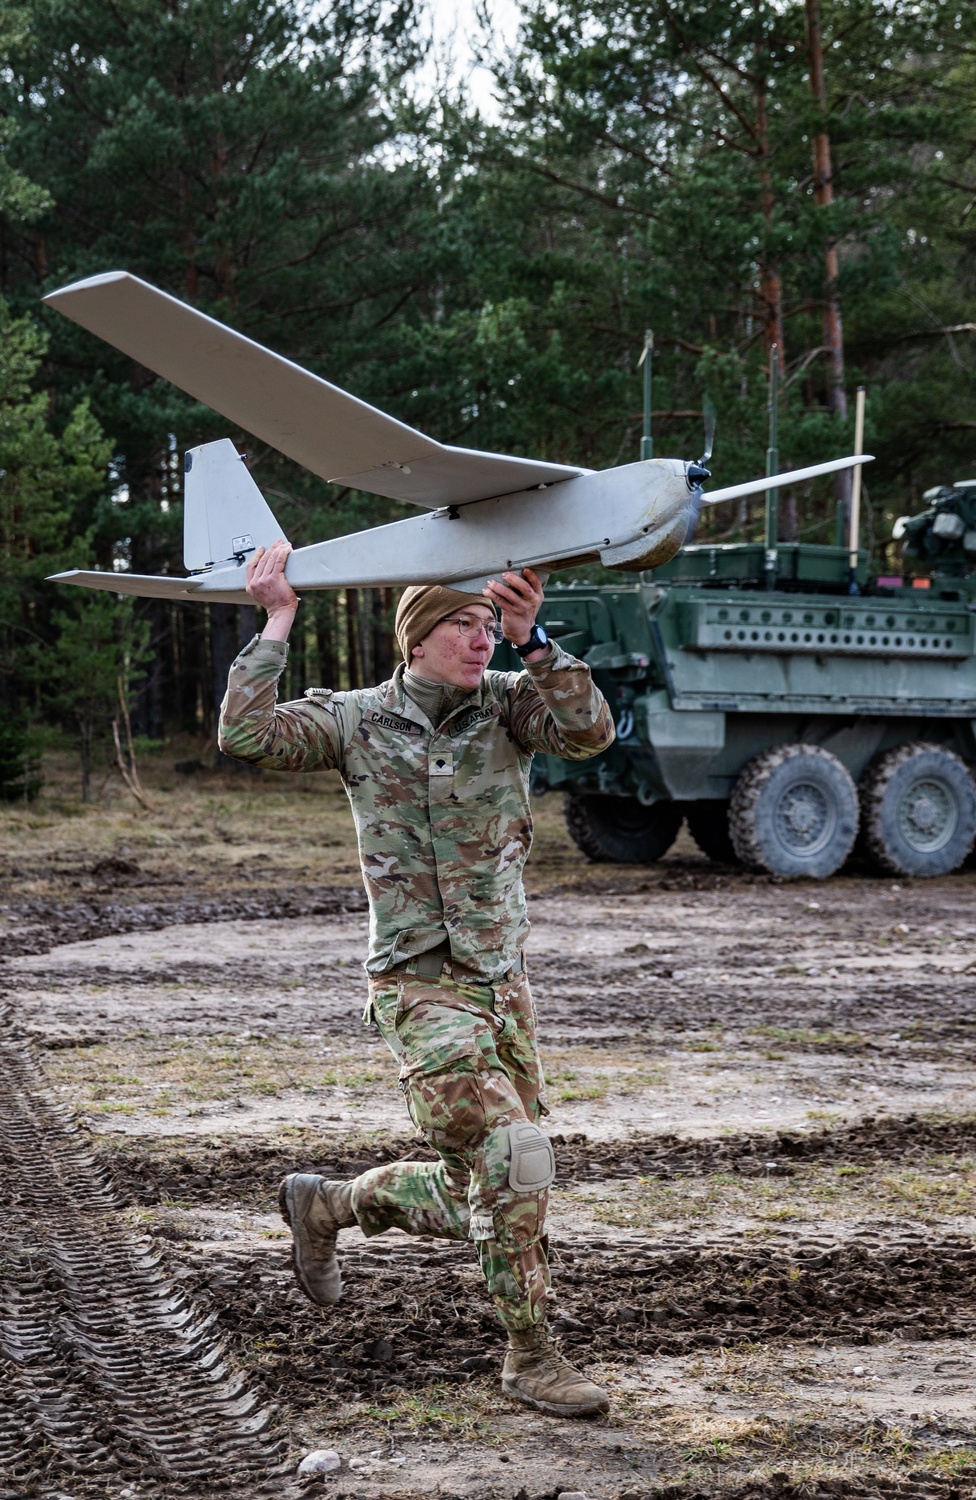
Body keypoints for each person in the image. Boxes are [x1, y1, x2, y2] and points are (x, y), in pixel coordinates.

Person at [218, 541, 615, 1417]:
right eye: (464, 626)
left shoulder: (514, 704)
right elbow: (246, 733)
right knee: (515, 1159)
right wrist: (278, 619)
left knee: (493, 1181)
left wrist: (535, 640)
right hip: (415, 985)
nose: (482, 642)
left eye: (487, 625)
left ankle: (331, 1205)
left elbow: (591, 735)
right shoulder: (358, 718)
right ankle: (531, 1356)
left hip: (502, 985)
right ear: (418, 637)